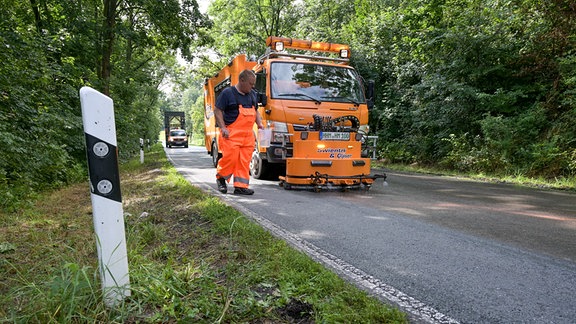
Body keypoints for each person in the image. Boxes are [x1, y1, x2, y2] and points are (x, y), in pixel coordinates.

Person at [214, 69, 264, 195]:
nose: (252, 87)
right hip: (231, 134)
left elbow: (255, 111)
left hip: (247, 135)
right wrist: (223, 128)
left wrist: (259, 124)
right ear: (242, 80)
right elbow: (218, 110)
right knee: (230, 159)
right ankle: (221, 178)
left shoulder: (252, 94)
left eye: (254, 84)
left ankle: (241, 186)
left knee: (244, 161)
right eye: (250, 84)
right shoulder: (228, 93)